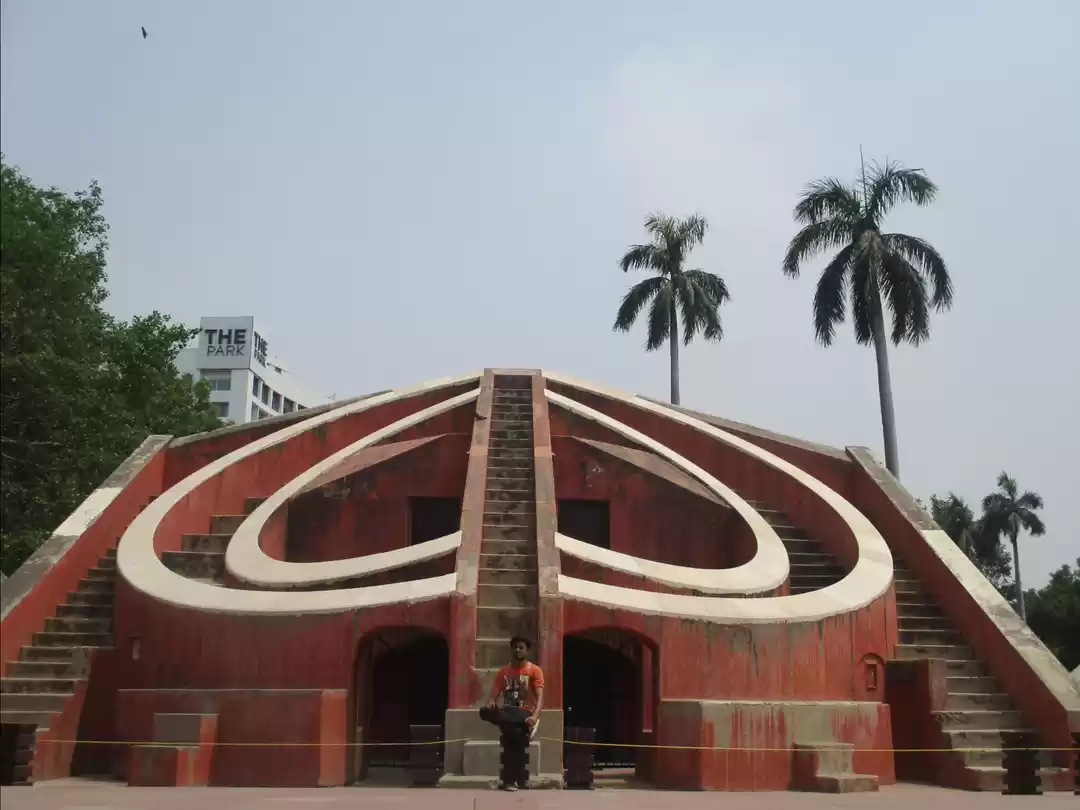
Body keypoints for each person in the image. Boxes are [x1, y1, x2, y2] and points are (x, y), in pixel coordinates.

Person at [478, 636, 545, 791]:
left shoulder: (534, 670)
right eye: (515, 647)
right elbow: (493, 696)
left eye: (521, 647)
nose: (517, 650)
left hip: (524, 712)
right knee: (485, 713)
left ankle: (508, 781)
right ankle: (520, 780)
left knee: (511, 738)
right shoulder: (504, 672)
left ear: (527, 651)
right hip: (508, 713)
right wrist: (491, 705)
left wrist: (535, 716)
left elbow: (540, 698)